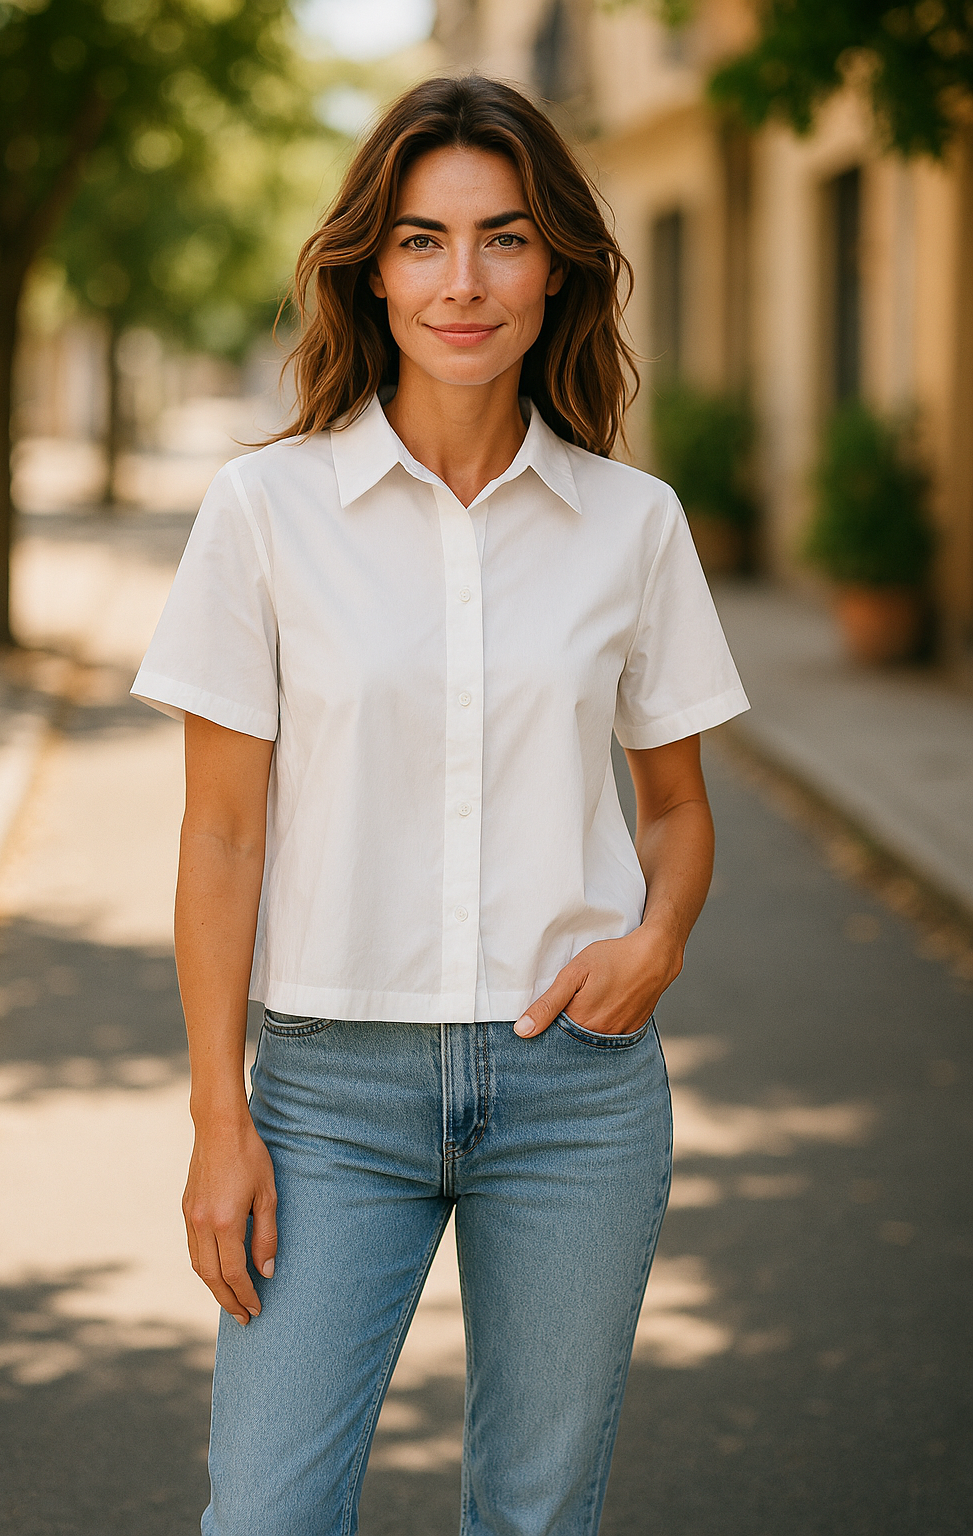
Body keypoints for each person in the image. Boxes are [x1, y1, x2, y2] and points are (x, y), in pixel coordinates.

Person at [132, 74, 748, 1536]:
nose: (461, 281)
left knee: (536, 1516)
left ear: (559, 268)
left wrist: (658, 941)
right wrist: (221, 1117)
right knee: (267, 1516)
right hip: (330, 1098)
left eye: (504, 238)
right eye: (421, 240)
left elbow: (675, 810)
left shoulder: (633, 526)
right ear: (372, 268)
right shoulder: (264, 513)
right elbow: (220, 836)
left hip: (577, 1095)